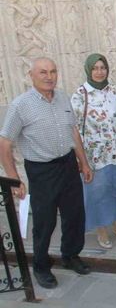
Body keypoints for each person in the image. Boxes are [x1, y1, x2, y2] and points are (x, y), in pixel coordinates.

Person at [0, 58, 93, 289]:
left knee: (74, 214)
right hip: (42, 170)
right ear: (31, 75)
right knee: (45, 220)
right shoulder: (20, 105)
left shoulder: (62, 97)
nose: (49, 76)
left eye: (53, 71)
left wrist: (84, 162)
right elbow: (4, 144)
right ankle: (41, 266)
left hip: (68, 164)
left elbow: (73, 131)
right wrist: (14, 179)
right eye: (43, 72)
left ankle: (70, 255)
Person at [70, 54, 116, 249]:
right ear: (89, 70)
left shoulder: (115, 91)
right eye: (95, 68)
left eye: (103, 67)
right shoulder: (80, 95)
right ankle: (101, 231)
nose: (99, 72)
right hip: (94, 156)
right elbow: (74, 130)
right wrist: (81, 160)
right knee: (98, 194)